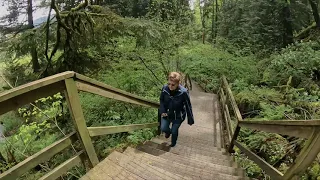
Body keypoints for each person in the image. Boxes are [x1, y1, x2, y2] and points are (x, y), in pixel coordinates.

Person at [159, 72, 194, 147]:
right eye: (169, 83)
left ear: (178, 83)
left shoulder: (183, 92)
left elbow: (188, 105)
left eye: (173, 85)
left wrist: (190, 119)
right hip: (167, 114)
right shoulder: (165, 88)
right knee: (163, 128)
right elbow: (161, 100)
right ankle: (168, 132)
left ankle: (173, 143)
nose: (170, 86)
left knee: (174, 131)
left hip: (178, 115)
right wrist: (162, 111)